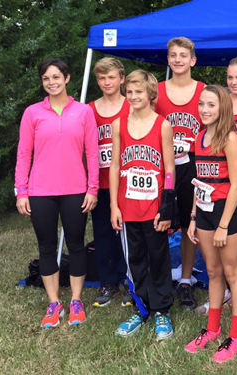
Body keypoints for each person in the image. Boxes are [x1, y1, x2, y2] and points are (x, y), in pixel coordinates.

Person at [15, 58, 99, 327]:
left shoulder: (84, 112)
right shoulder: (32, 113)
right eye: (46, 79)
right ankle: (54, 303)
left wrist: (92, 188)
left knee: (76, 246)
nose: (51, 82)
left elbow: (92, 153)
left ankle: (76, 301)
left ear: (67, 78)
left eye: (55, 77)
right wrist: (21, 191)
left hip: (75, 190)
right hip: (40, 192)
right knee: (47, 247)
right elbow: (24, 153)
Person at [109, 70, 176, 340]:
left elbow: (170, 169)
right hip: (127, 207)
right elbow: (114, 166)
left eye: (139, 92)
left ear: (151, 94)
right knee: (134, 260)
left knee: (158, 258)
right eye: (130, 92)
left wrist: (167, 205)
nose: (134, 96)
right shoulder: (118, 124)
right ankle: (141, 307)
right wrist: (114, 205)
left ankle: (161, 310)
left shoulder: (162, 125)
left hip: (154, 208)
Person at [185, 85, 237, 363]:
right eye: (201, 104)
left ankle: (236, 335)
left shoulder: (230, 138)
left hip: (226, 213)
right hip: (205, 212)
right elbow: (200, 181)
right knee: (212, 271)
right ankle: (212, 328)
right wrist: (194, 217)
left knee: (232, 273)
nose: (205, 110)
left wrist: (223, 225)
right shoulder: (198, 138)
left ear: (222, 107)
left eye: (211, 105)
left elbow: (236, 185)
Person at [155, 37, 206, 310]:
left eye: (183, 55)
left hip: (192, 164)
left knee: (189, 224)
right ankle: (160, 278)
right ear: (168, 59)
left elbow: (214, 130)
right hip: (163, 166)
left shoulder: (203, 91)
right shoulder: (157, 91)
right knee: (159, 221)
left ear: (192, 60)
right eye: (173, 55)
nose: (177, 59)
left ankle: (186, 280)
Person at [89, 57, 132, 308]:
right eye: (102, 78)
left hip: (128, 183)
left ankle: (128, 278)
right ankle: (108, 283)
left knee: (127, 235)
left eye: (112, 77)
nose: (107, 82)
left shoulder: (132, 105)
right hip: (101, 183)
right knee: (103, 234)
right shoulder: (89, 110)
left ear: (122, 78)